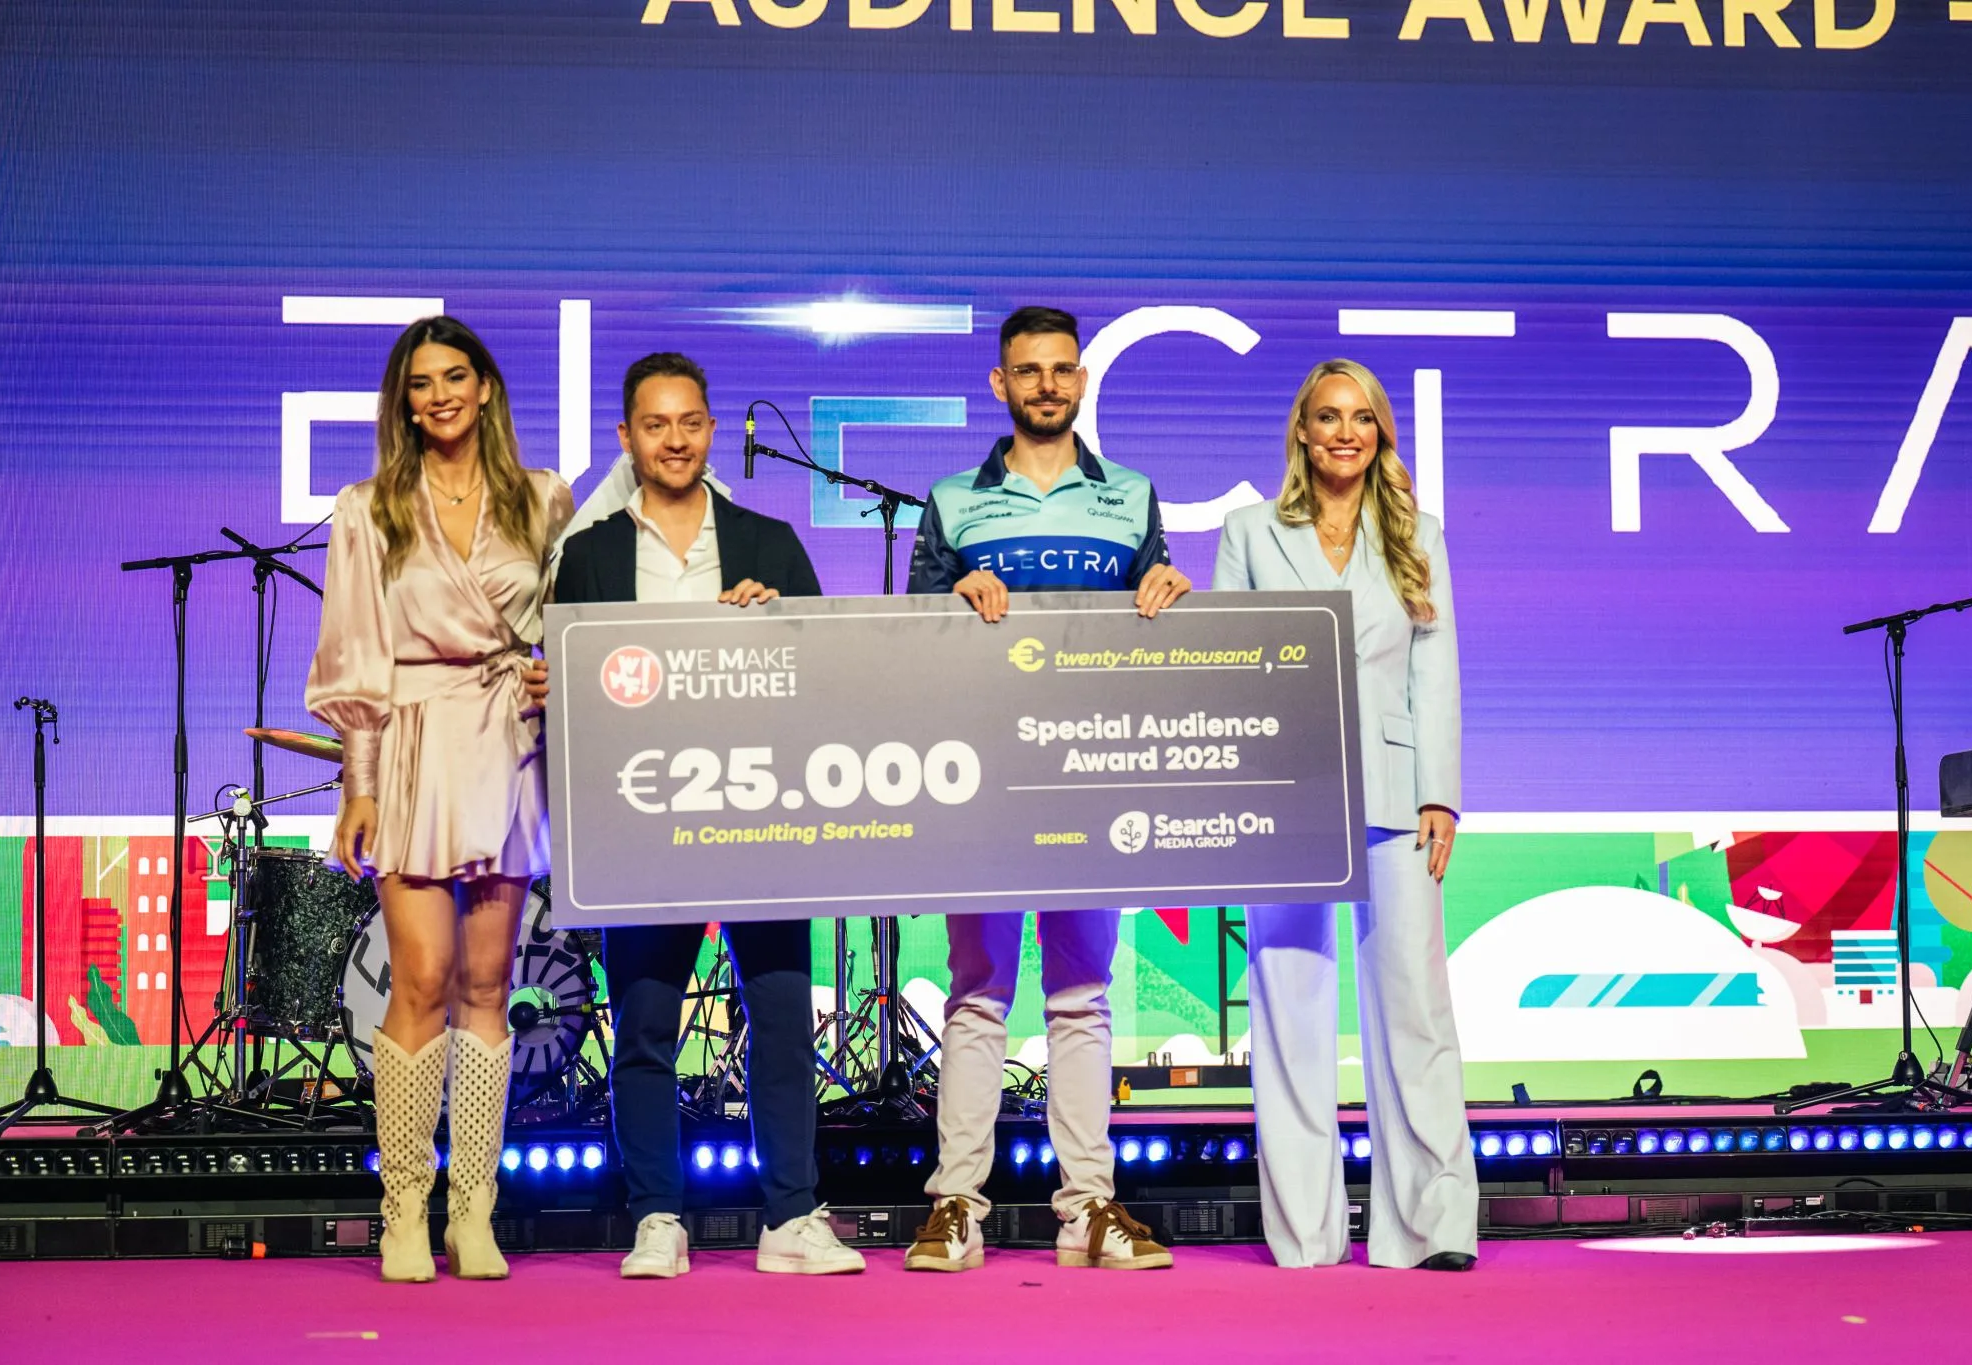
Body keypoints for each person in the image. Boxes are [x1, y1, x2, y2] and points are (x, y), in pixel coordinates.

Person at [552, 351, 864, 1279]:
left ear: (711, 430)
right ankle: (657, 1217)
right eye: (656, 425)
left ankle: (792, 1216)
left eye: (690, 422)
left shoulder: (768, 542)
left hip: (762, 818)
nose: (675, 440)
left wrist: (777, 622)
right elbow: (571, 698)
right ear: (627, 437)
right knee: (644, 1023)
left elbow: (829, 675)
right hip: (644, 824)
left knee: (781, 1018)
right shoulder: (591, 554)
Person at [902, 306, 1191, 1273]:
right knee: (978, 993)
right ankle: (956, 1206)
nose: (1048, 385)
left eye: (1062, 369)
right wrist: (949, 599)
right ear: (1000, 383)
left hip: (1090, 778)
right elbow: (906, 640)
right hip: (981, 778)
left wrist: (1171, 594)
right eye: (1028, 370)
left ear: (1081, 379)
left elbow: (1158, 631)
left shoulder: (1131, 496)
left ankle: (1089, 1210)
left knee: (1082, 995)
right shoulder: (952, 500)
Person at [307, 315, 576, 1283]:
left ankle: (473, 1211)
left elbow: (576, 621)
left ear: (486, 385)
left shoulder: (544, 498)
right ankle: (403, 1211)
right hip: (412, 741)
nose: (440, 396)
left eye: (454, 376)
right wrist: (359, 785)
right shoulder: (367, 507)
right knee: (420, 978)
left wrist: (556, 671)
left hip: (508, 741)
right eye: (420, 384)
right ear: (405, 403)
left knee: (491, 985)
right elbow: (354, 655)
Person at [1212, 359, 1478, 1272]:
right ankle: (1305, 1235)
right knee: (1289, 1009)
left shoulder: (1417, 533)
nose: (1345, 433)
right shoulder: (1249, 532)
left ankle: (1434, 1225)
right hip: (1285, 794)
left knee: (1416, 1007)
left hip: (1399, 792)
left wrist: (1441, 790)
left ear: (1380, 434)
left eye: (1362, 418)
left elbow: (1434, 668)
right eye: (1328, 416)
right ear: (1302, 429)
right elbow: (1226, 668)